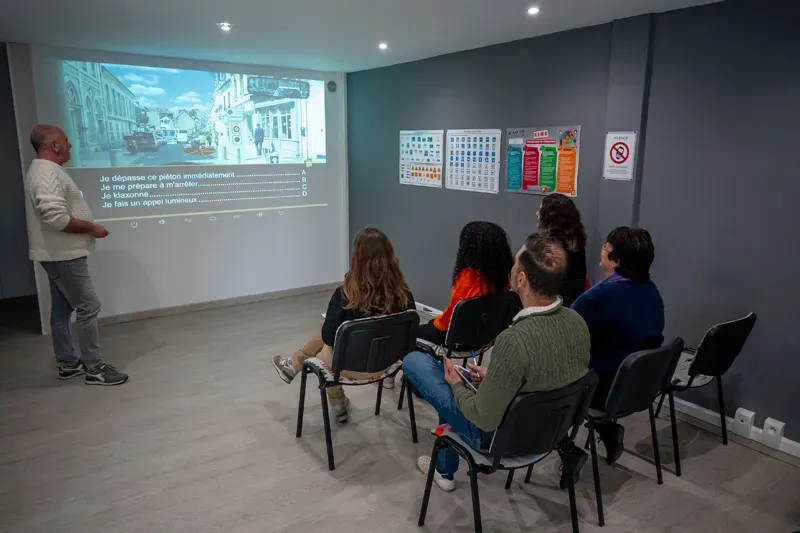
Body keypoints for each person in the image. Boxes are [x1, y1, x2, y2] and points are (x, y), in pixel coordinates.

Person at [402, 234, 590, 492]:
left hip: (500, 439)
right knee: (454, 379)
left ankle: (444, 468)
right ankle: (443, 467)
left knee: (416, 362)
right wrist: (494, 375)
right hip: (552, 432)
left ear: (521, 279)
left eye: (515, 264)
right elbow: (548, 379)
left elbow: (485, 418)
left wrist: (457, 385)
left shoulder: (514, 340)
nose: (510, 269)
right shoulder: (577, 322)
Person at [272, 227, 415, 423]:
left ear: (357, 259)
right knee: (331, 338)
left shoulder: (345, 295)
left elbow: (328, 337)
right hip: (389, 365)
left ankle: (333, 400)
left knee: (325, 346)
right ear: (390, 256)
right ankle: (293, 365)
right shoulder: (404, 294)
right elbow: (410, 336)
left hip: (346, 367)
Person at [23, 125, 128, 386]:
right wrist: (92, 228)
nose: (70, 145)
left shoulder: (43, 170)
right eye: (65, 140)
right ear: (54, 146)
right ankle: (94, 367)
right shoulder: (46, 172)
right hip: (64, 253)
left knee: (62, 307)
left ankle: (68, 363)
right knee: (89, 305)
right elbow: (55, 217)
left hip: (57, 252)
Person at [571, 227, 664, 464]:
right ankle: (607, 430)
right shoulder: (652, 292)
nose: (601, 250)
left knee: (546, 374)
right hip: (640, 387)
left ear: (616, 260)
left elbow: (564, 339)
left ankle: (567, 451)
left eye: (605, 247)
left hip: (603, 390)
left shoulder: (597, 298)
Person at [417, 221, 513, 347]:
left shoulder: (467, 279)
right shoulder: (505, 278)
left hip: (456, 340)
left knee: (410, 331)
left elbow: (449, 321)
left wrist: (434, 324)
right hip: (486, 338)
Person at [537, 193, 588, 306]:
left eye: (540, 211)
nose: (537, 214)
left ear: (550, 217)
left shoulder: (549, 249)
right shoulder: (576, 242)